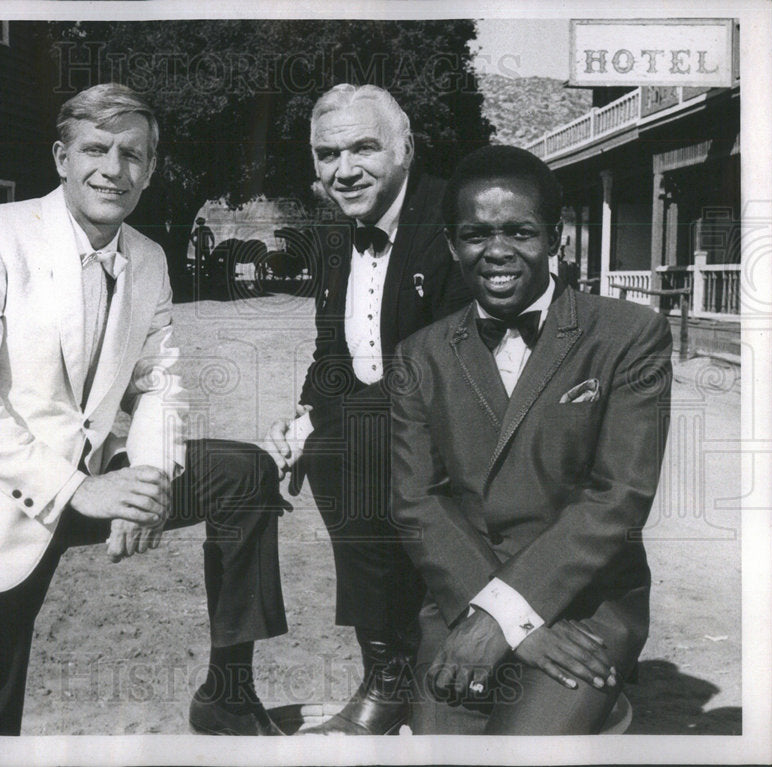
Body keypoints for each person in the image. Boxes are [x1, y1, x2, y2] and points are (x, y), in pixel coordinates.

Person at [0, 83, 288, 737]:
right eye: (96, 149)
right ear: (61, 157)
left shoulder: (147, 257)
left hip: (101, 479)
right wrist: (87, 488)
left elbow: (159, 382)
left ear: (150, 168)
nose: (114, 168)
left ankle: (228, 694)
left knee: (245, 473)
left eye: (133, 154)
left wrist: (150, 484)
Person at [390, 145, 672, 734]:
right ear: (450, 245)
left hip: (587, 604)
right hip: (461, 599)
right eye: (475, 235)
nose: (496, 252)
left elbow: (617, 498)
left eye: (519, 231)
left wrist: (508, 617)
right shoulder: (419, 355)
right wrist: (494, 615)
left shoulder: (629, 335)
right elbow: (417, 502)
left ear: (556, 238)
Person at [264, 84, 470, 735]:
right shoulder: (334, 234)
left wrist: (330, 425)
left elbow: (457, 368)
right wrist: (303, 414)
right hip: (381, 433)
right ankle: (391, 667)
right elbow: (333, 353)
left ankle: (391, 675)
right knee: (317, 445)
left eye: (363, 147)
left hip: (472, 433)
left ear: (405, 147)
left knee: (340, 447)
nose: (344, 168)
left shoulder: (454, 218)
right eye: (328, 154)